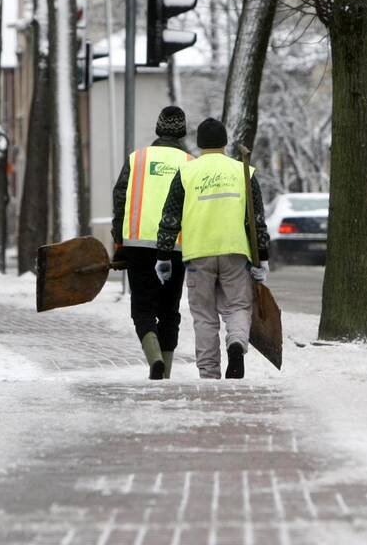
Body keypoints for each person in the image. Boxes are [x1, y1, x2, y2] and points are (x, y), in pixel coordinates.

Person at [155, 118, 270, 379]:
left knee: (204, 316)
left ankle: (208, 372)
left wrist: (164, 256)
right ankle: (237, 343)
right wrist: (262, 257)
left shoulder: (187, 173)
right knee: (238, 306)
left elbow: (170, 218)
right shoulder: (243, 172)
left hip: (198, 254)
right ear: (224, 142)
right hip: (235, 251)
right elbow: (256, 220)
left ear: (199, 144)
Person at [111, 106, 193, 379]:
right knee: (170, 309)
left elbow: (120, 198)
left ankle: (154, 358)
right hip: (176, 246)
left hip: (137, 244)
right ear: (182, 132)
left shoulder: (138, 158)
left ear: (158, 129)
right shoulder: (191, 163)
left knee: (143, 307)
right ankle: (166, 369)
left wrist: (118, 241)